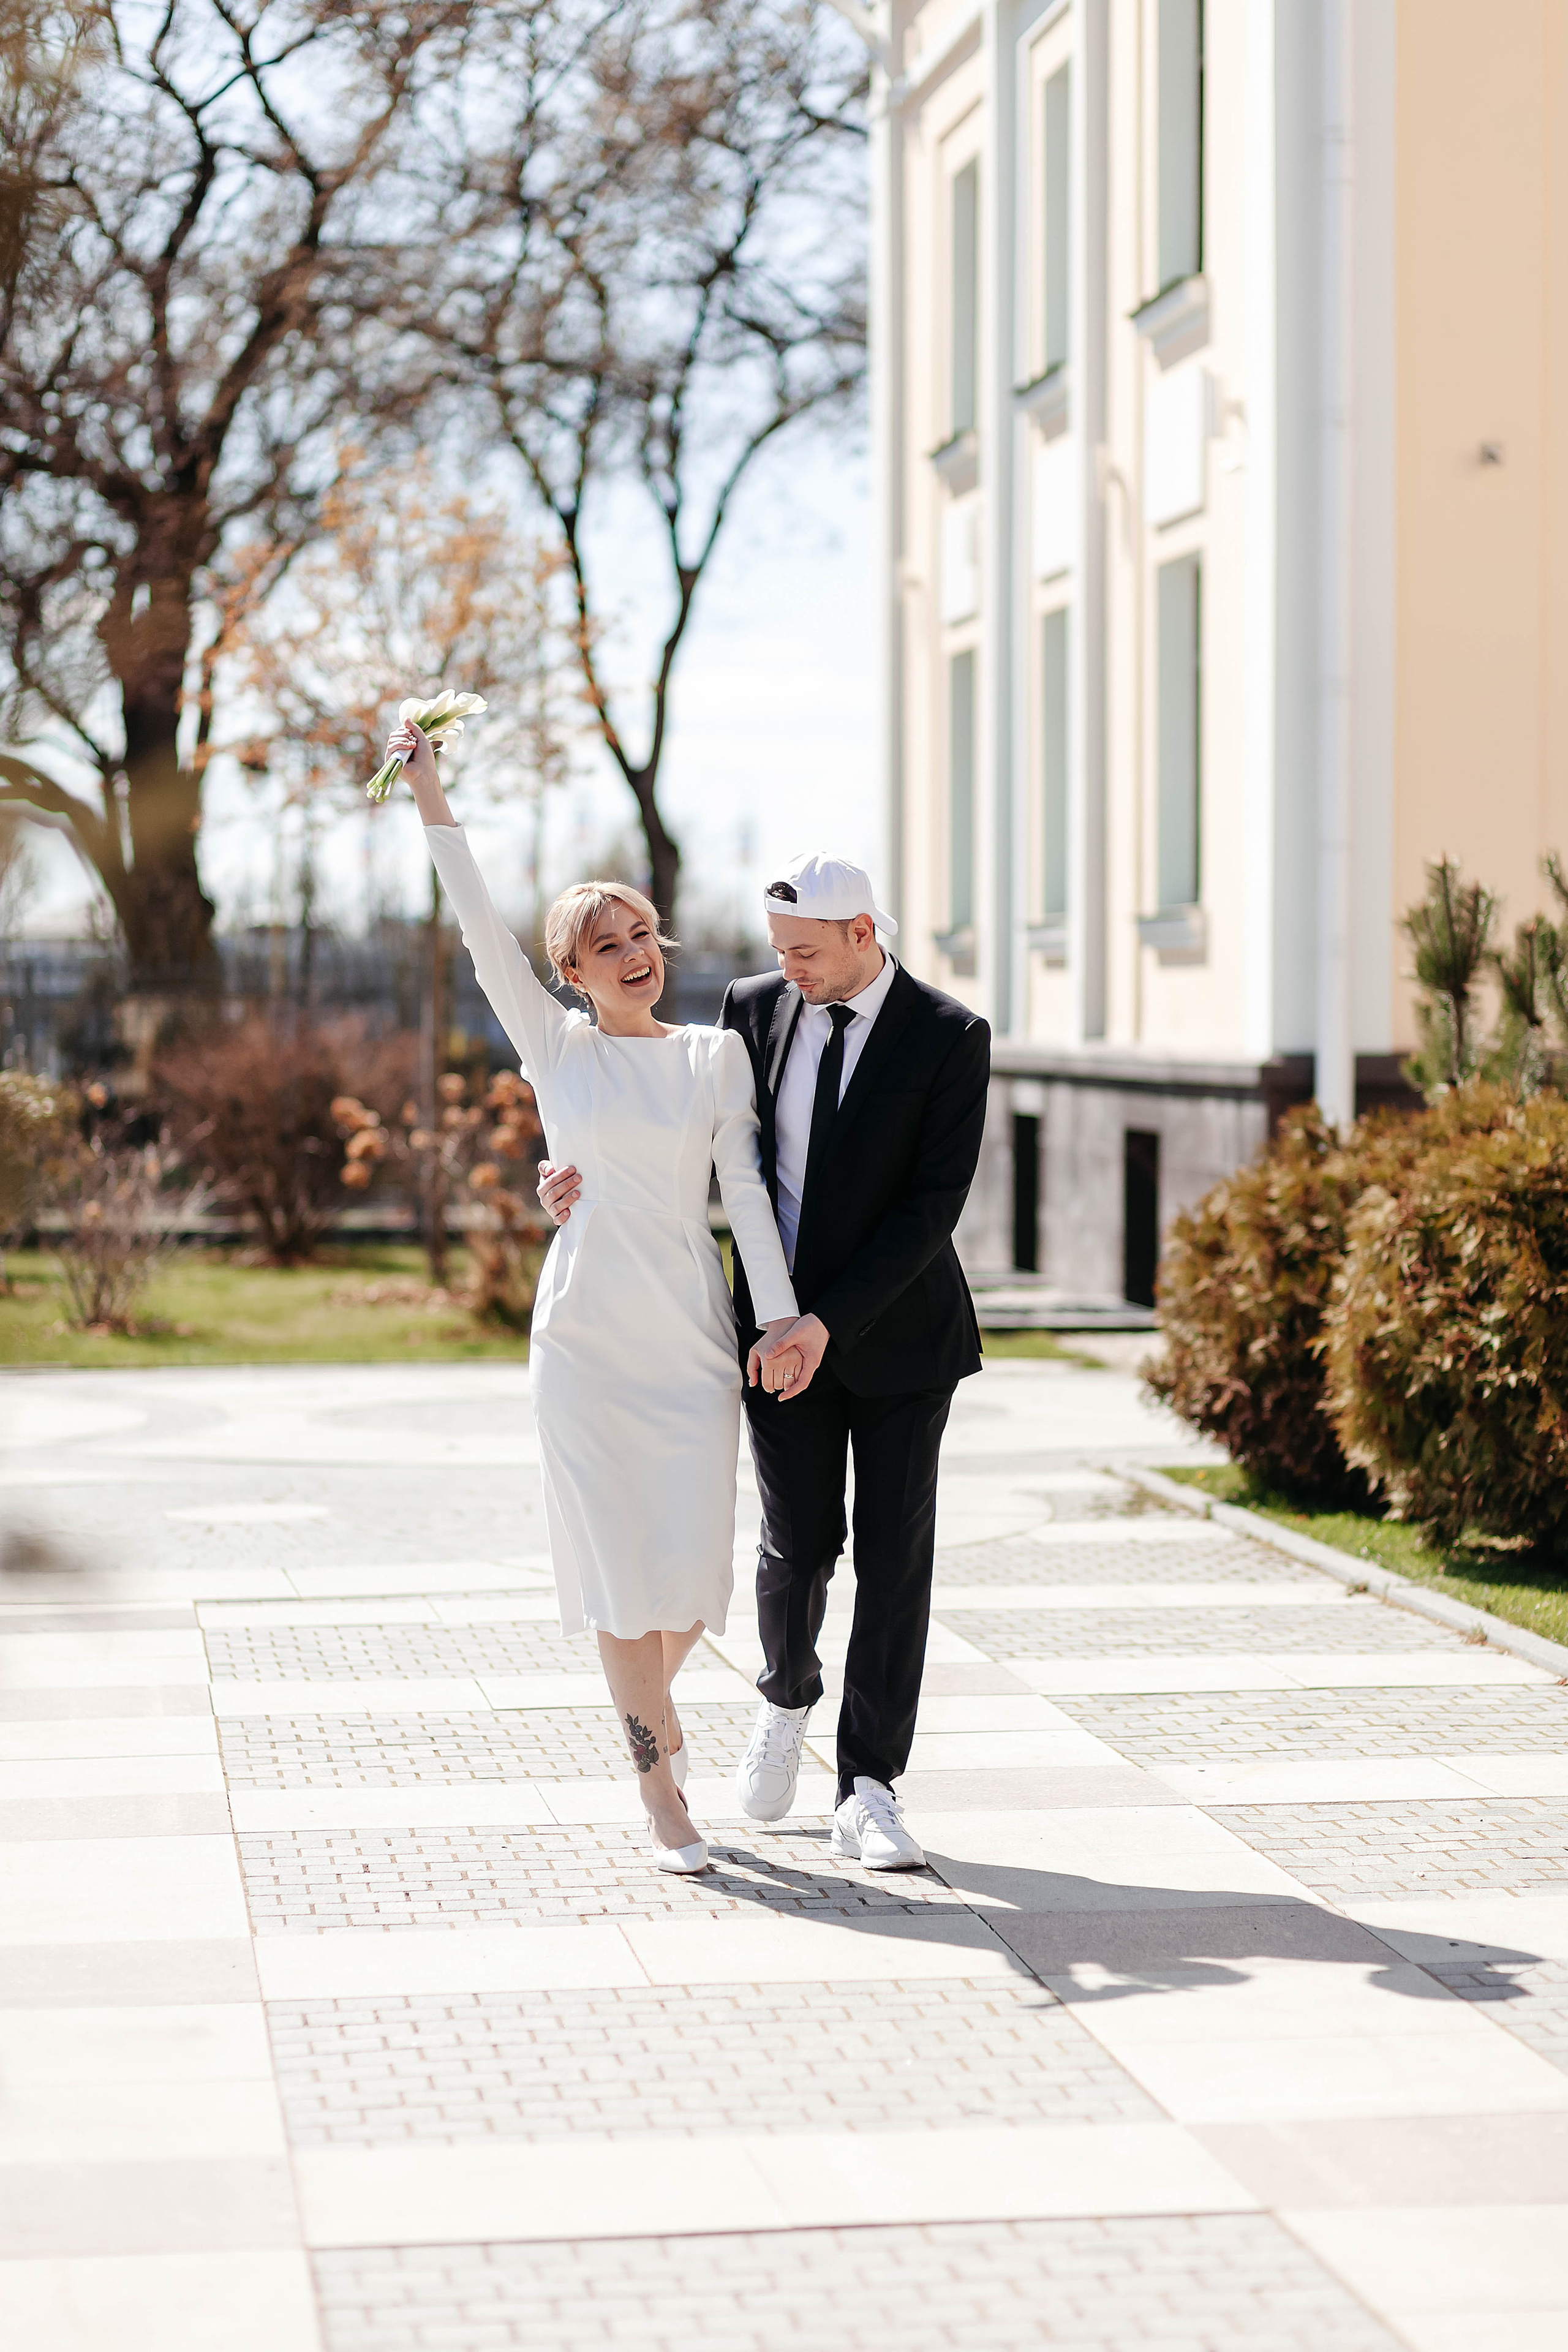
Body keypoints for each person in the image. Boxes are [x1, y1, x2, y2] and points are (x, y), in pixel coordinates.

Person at [388, 717, 816, 1875]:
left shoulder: (711, 1056)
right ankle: (659, 1790)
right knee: (622, 1578)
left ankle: (649, 1715)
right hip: (582, 1340)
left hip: (687, 1338)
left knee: (690, 1583)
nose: (632, 952)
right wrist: (433, 797)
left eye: (642, 933)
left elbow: (746, 1196)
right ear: (570, 974)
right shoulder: (558, 1051)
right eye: (603, 943)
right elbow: (481, 933)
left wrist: (777, 1317)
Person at [539, 851, 991, 1870]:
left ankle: (869, 1784)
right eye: (778, 949)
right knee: (796, 1546)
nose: (784, 967)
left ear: (862, 935)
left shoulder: (951, 1036)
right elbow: (673, 1134)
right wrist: (568, 1174)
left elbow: (932, 1207)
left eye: (804, 951)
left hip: (901, 1334)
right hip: (764, 1336)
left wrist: (825, 1321)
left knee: (893, 1558)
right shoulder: (752, 1009)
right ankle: (784, 1696)